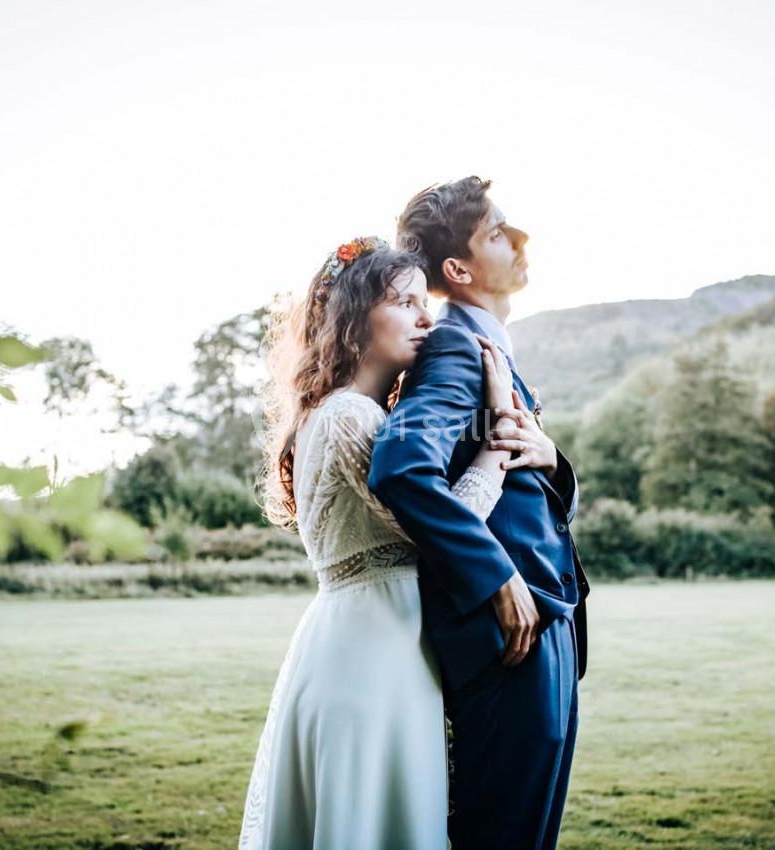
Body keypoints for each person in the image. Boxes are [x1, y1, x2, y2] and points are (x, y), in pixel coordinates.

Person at [238, 235, 539, 849]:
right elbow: (445, 526)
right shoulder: (353, 418)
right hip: (376, 648)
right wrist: (494, 447)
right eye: (403, 302)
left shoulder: (334, 412)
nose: (425, 317)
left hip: (350, 636)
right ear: (353, 317)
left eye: (421, 301)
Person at [369, 177, 591, 850]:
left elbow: (532, 492)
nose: (518, 237)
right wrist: (497, 578)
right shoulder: (457, 348)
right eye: (497, 232)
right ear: (458, 269)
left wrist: (553, 460)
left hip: (546, 623)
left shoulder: (492, 351)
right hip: (508, 636)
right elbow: (400, 468)